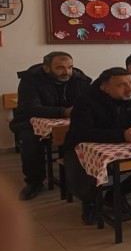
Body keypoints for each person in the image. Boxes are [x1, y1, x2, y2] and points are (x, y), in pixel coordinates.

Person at [63, 67, 131, 225]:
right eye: (121, 85)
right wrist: (122, 135)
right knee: (82, 171)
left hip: (126, 144)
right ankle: (90, 202)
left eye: (130, 82)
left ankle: (115, 195)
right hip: (82, 147)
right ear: (104, 87)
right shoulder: (85, 100)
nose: (129, 88)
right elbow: (83, 133)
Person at [10, 51, 91, 200]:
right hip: (30, 122)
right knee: (30, 142)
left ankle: (83, 178)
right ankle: (34, 182)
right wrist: (63, 112)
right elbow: (30, 107)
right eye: (60, 68)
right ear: (46, 68)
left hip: (68, 120)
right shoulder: (30, 80)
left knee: (87, 134)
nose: (67, 72)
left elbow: (88, 100)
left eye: (70, 67)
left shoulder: (79, 79)